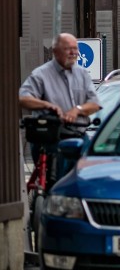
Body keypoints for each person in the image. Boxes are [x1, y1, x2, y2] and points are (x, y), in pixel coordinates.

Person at [19, 33, 101, 181]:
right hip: (51, 138)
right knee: (54, 183)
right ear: (55, 51)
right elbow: (24, 99)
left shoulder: (82, 74)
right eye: (68, 49)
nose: (73, 53)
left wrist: (78, 110)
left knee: (91, 179)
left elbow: (95, 104)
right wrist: (47, 105)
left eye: (75, 48)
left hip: (79, 137)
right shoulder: (41, 74)